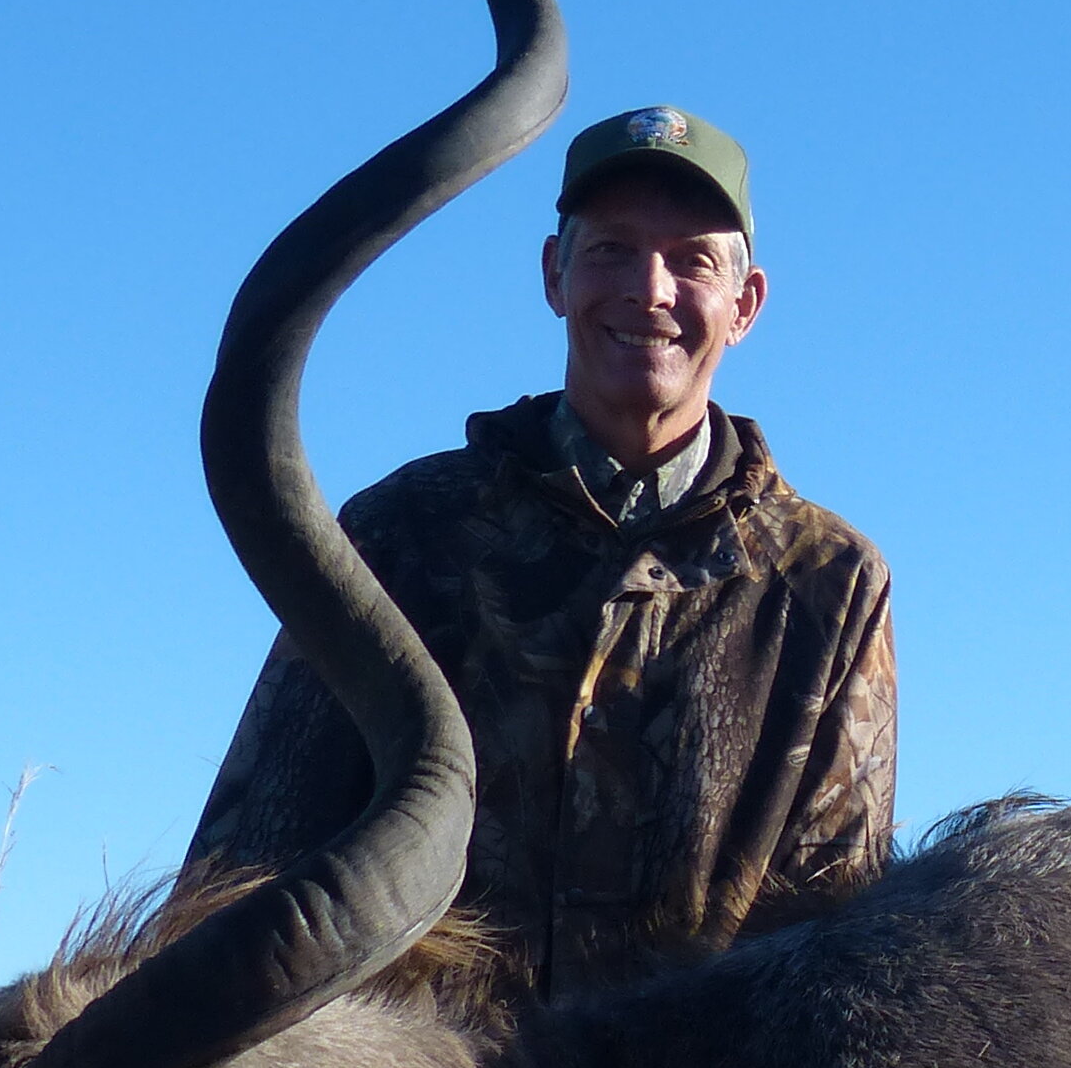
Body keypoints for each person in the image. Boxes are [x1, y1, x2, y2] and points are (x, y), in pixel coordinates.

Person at [192, 104, 897, 997]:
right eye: (610, 250)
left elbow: (836, 927)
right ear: (554, 274)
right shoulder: (403, 528)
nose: (650, 289)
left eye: (693, 262)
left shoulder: (827, 582)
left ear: (745, 304)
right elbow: (250, 862)